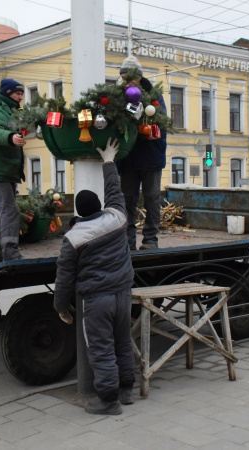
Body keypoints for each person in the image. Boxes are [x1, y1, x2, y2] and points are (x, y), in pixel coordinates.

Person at [54, 138, 136, 415]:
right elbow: (116, 192)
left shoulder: (73, 238)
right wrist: (109, 161)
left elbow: (65, 277)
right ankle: (127, 390)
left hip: (96, 300)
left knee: (101, 349)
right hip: (123, 293)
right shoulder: (117, 217)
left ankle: (109, 401)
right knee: (123, 341)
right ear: (99, 205)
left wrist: (61, 307)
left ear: (79, 212)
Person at [116, 55, 168, 250]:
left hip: (151, 155)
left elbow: (161, 120)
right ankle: (128, 241)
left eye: (131, 77)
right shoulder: (118, 96)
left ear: (139, 77)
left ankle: (150, 240)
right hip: (128, 157)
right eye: (123, 77)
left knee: (152, 197)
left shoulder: (153, 95)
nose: (127, 81)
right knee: (127, 199)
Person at [0, 78, 27, 264]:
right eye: (18, 94)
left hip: (6, 169)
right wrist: (10, 137)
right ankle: (10, 253)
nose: (21, 98)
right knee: (9, 211)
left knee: (2, 215)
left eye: (22, 94)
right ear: (8, 93)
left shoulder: (11, 111)